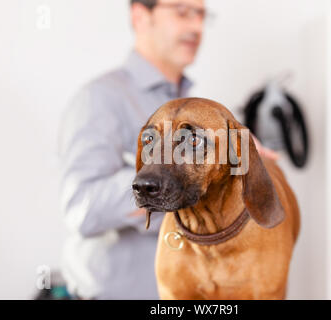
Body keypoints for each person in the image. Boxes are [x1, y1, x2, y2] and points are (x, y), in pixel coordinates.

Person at [58, 0, 277, 300]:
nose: (195, 26)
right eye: (182, 11)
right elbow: (82, 209)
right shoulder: (100, 99)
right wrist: (164, 178)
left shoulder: (197, 106)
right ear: (140, 15)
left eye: (201, 14)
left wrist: (233, 161)